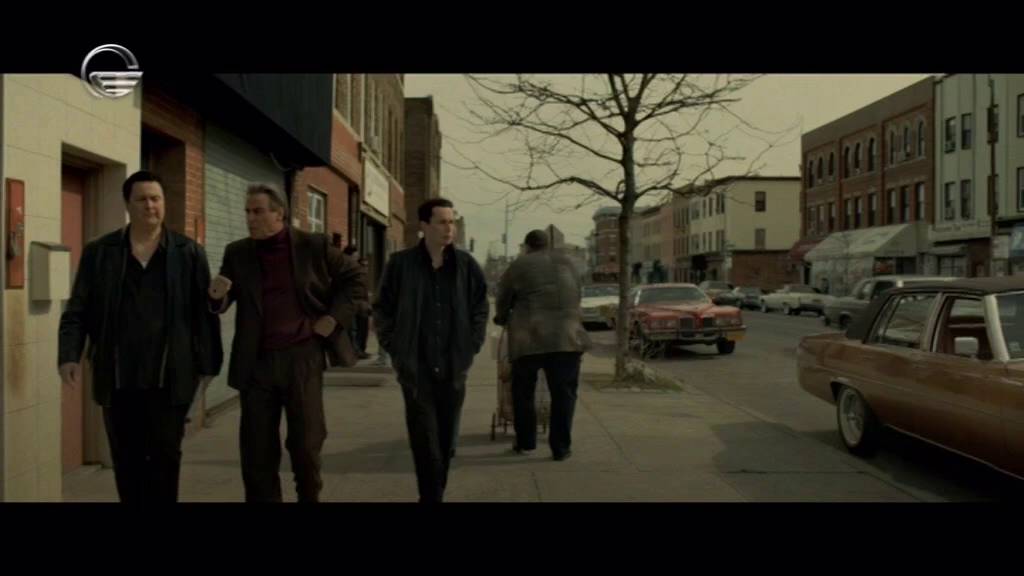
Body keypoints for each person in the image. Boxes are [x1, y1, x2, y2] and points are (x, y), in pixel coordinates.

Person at [58, 170, 223, 502]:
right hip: (119, 379)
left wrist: (208, 367)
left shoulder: (188, 252)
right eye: (142, 199)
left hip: (170, 379)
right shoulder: (100, 252)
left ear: (164, 203)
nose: (150, 206)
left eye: (156, 199)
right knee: (127, 462)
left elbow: (204, 316)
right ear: (127, 205)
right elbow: (78, 308)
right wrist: (69, 354)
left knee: (165, 461)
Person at [208, 183, 366, 503]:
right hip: (257, 363)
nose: (250, 218)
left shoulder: (313, 245)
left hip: (302, 359)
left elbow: (356, 279)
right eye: (247, 212)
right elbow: (224, 299)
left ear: (279, 213)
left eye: (258, 211)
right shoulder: (237, 252)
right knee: (257, 452)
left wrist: (334, 318)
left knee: (306, 446)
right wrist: (216, 298)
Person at [373, 198, 489, 502]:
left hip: (453, 367)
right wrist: (394, 346)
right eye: (441, 222)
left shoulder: (466, 266)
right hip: (416, 368)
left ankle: (435, 492)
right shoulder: (401, 264)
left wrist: (472, 344)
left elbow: (480, 307)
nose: (449, 228)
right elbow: (382, 308)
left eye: (452, 222)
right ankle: (431, 497)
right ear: (424, 226)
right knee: (424, 441)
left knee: (446, 441)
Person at [494, 229, 589, 461]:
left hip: (529, 338)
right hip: (567, 338)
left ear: (527, 246)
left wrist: (501, 317)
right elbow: (577, 294)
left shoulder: (518, 265)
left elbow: (503, 297)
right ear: (548, 245)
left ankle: (526, 443)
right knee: (564, 393)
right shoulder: (569, 264)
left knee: (523, 391)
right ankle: (561, 448)